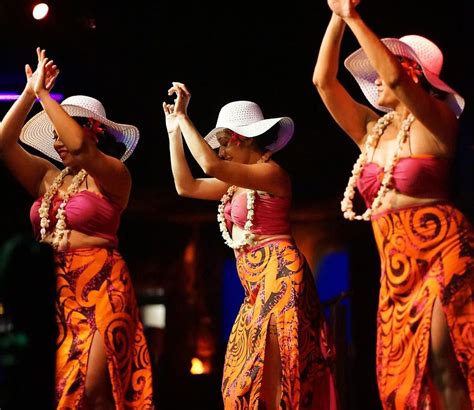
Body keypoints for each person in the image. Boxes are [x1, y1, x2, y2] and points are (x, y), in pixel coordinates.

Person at [312, 0, 473, 408]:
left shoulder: (438, 121)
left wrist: (355, 18)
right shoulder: (370, 130)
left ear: (413, 72)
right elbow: (323, 82)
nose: (376, 79)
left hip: (443, 249)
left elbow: (399, 85)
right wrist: (336, 14)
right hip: (396, 261)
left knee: (443, 356)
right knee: (403, 372)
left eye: (382, 68)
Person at [163, 82, 338, 409]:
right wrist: (174, 131)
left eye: (223, 143)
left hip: (280, 276)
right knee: (239, 380)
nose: (221, 152)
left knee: (273, 374)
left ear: (240, 139)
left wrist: (186, 118)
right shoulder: (236, 185)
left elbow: (209, 166)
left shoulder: (272, 173)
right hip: (254, 287)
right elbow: (185, 186)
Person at [0, 48, 154, 408]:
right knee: (53, 388)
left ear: (95, 130)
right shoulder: (46, 177)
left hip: (103, 286)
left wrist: (45, 96)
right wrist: (28, 93)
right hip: (53, 287)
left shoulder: (114, 175)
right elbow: (3, 143)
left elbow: (80, 147)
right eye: (53, 133)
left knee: (93, 389)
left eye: (63, 130)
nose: (58, 141)